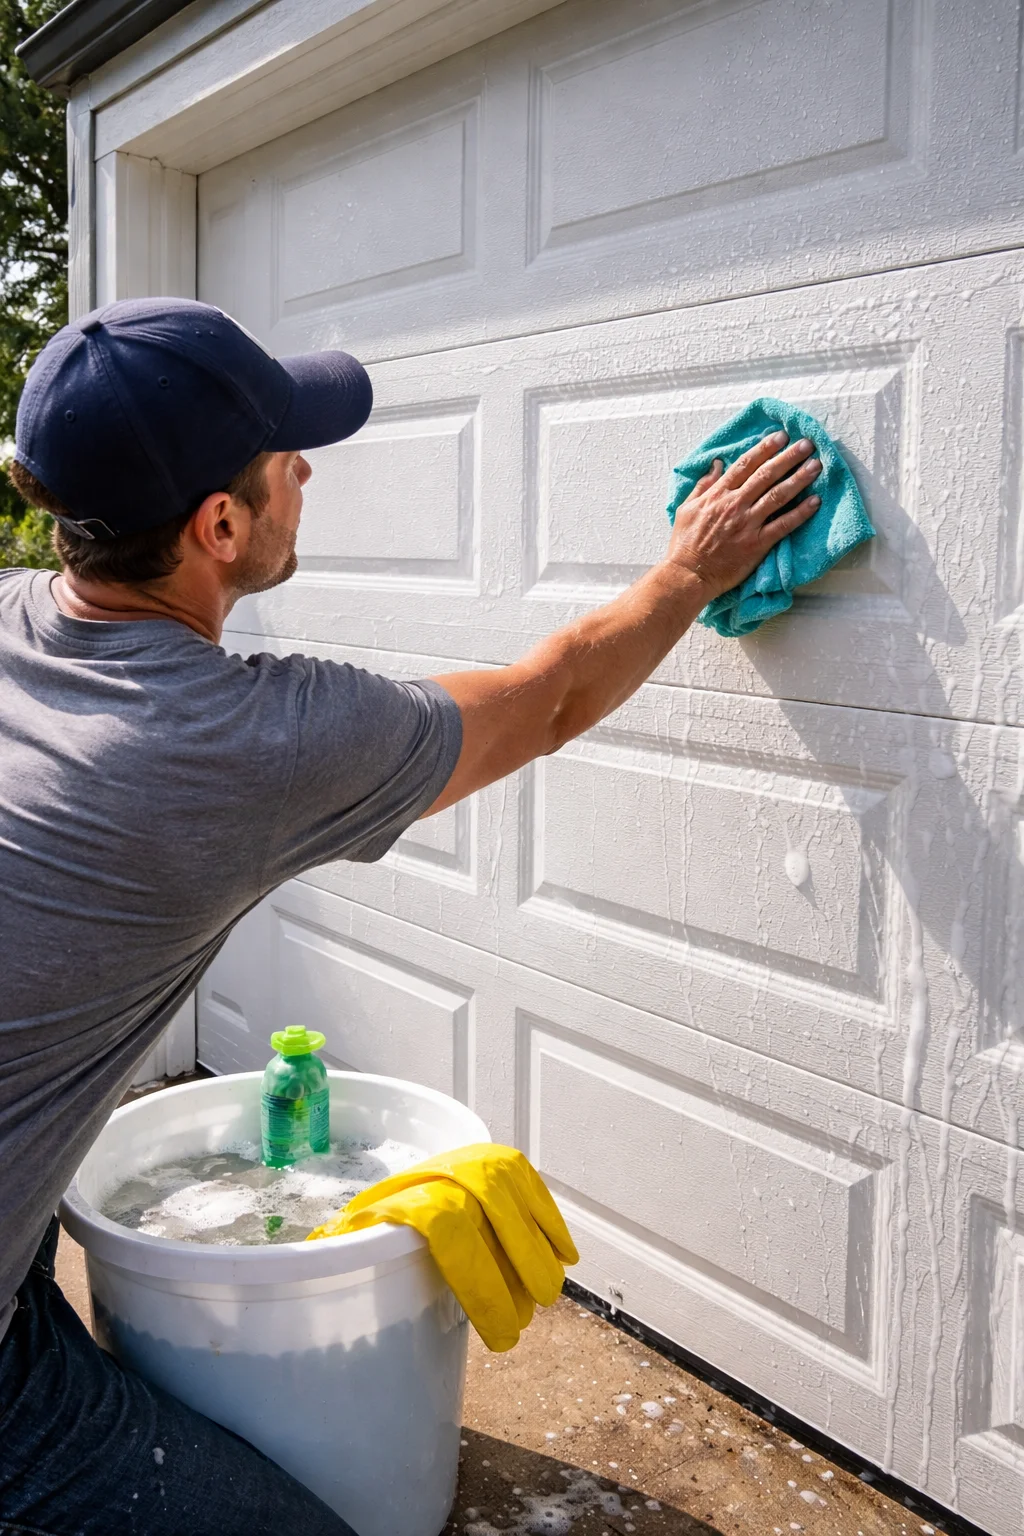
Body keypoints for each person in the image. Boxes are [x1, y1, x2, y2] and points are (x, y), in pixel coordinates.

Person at [0, 298, 820, 1535]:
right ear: (221, 525)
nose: (305, 470)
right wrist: (690, 570)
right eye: (284, 460)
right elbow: (546, 702)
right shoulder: (235, 743)